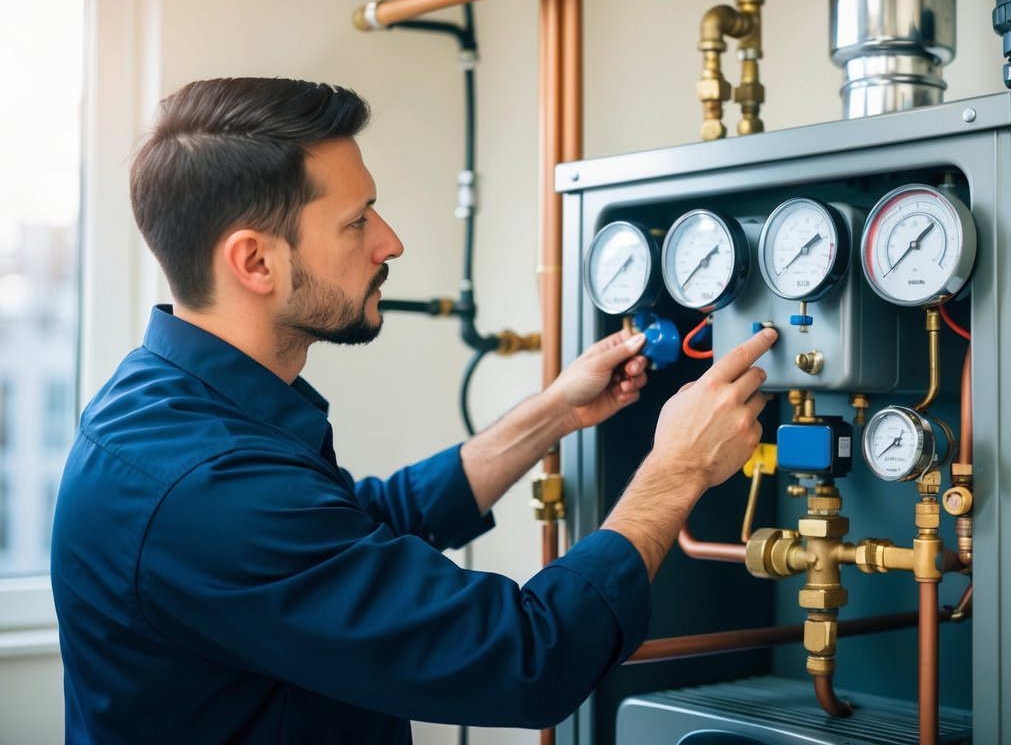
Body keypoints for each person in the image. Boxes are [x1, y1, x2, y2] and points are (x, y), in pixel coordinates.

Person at [50, 77, 777, 744]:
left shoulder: (167, 406)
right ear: (255, 263)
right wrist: (676, 469)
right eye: (356, 220)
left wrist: (551, 413)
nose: (388, 241)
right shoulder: (202, 485)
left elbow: (353, 530)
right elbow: (525, 659)